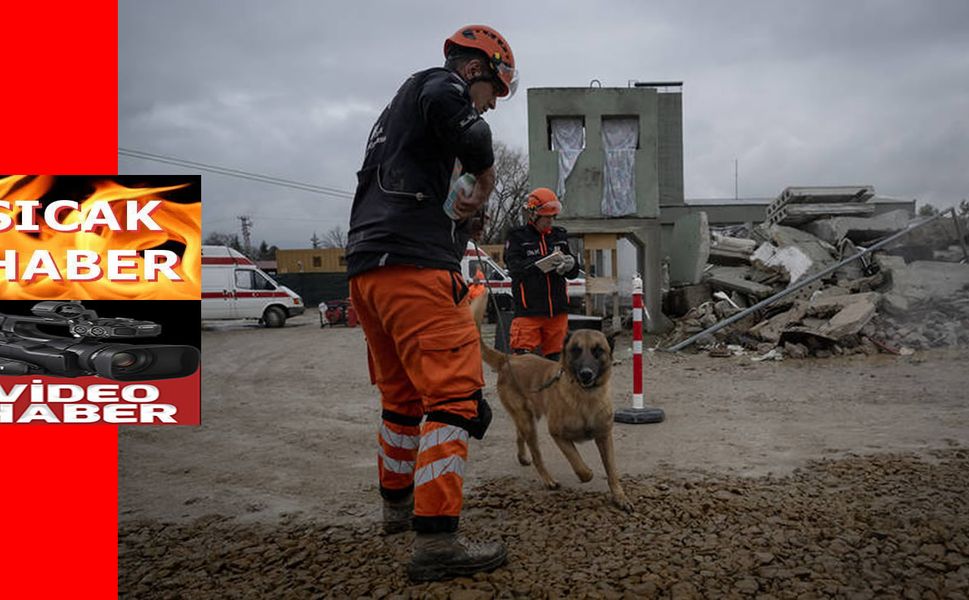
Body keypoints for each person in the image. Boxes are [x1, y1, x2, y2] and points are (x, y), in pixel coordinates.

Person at [344, 25, 517, 582]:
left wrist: (460, 218)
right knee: (454, 398)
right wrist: (484, 175)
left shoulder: (395, 115)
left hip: (369, 270)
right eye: (493, 91)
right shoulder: (440, 84)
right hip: (415, 270)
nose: (492, 103)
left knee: (401, 398)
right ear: (474, 69)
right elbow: (470, 129)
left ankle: (396, 508)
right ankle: (437, 541)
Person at [504, 188, 580, 361]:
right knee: (523, 363)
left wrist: (571, 265)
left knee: (558, 363)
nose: (550, 221)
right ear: (533, 214)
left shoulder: (559, 235)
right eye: (546, 217)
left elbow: (574, 273)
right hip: (528, 312)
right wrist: (542, 263)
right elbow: (514, 268)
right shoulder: (517, 237)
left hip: (557, 312)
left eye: (552, 217)